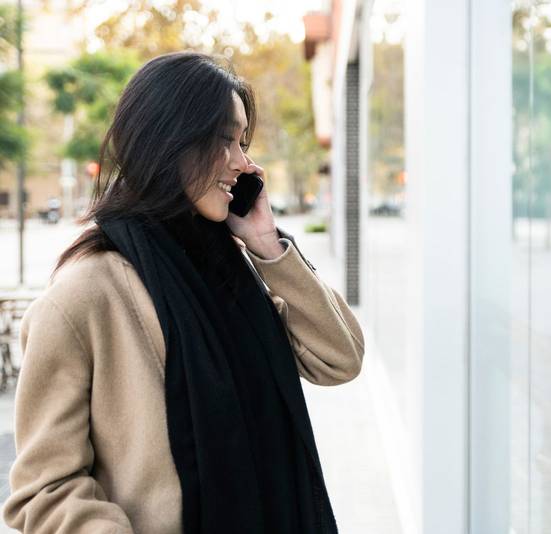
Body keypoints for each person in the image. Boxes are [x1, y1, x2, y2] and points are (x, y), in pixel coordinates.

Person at [2, 51, 364, 533]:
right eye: (224, 141)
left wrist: (266, 245)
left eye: (243, 142)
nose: (243, 163)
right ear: (167, 142)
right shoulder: (84, 297)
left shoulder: (232, 270)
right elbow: (43, 493)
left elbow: (340, 359)